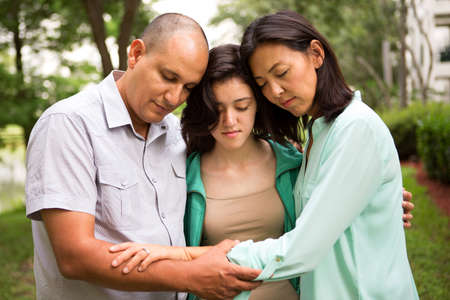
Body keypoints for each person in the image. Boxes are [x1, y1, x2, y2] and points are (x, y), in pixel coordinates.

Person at [108, 41, 416, 300]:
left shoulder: (294, 163)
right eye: (217, 109)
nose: (229, 121)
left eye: (241, 106)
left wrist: (377, 199)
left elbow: (324, 215)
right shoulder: (183, 171)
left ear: (258, 104)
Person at [25, 13, 261, 300]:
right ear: (136, 54)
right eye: (168, 77)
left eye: (188, 87)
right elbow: (74, 256)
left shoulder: (178, 134)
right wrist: (190, 276)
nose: (175, 98)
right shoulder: (69, 124)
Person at [223, 10, 419, 299]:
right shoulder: (318, 130)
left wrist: (207, 257)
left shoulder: (355, 127)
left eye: (282, 73)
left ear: (316, 54)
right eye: (262, 84)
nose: (275, 91)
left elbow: (304, 249)